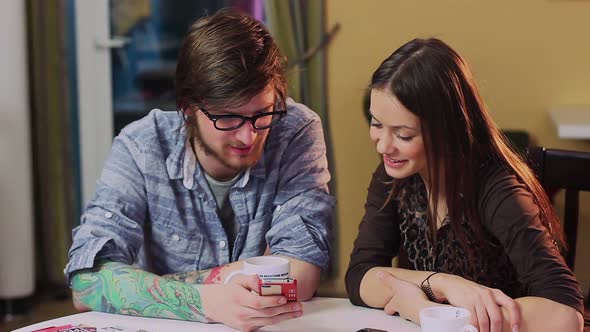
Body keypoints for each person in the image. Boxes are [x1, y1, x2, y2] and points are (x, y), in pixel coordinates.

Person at [65, 9, 334, 332]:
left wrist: (147, 287)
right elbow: (86, 283)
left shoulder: (295, 129)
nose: (248, 136)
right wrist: (204, 299)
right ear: (187, 108)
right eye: (228, 118)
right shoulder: (141, 146)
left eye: (262, 114)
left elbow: (302, 274)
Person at [345, 38, 584, 332]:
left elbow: (565, 314)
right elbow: (360, 277)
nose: (383, 145)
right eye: (375, 123)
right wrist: (443, 284)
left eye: (403, 135)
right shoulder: (393, 178)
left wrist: (424, 309)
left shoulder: (498, 190)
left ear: (447, 132)